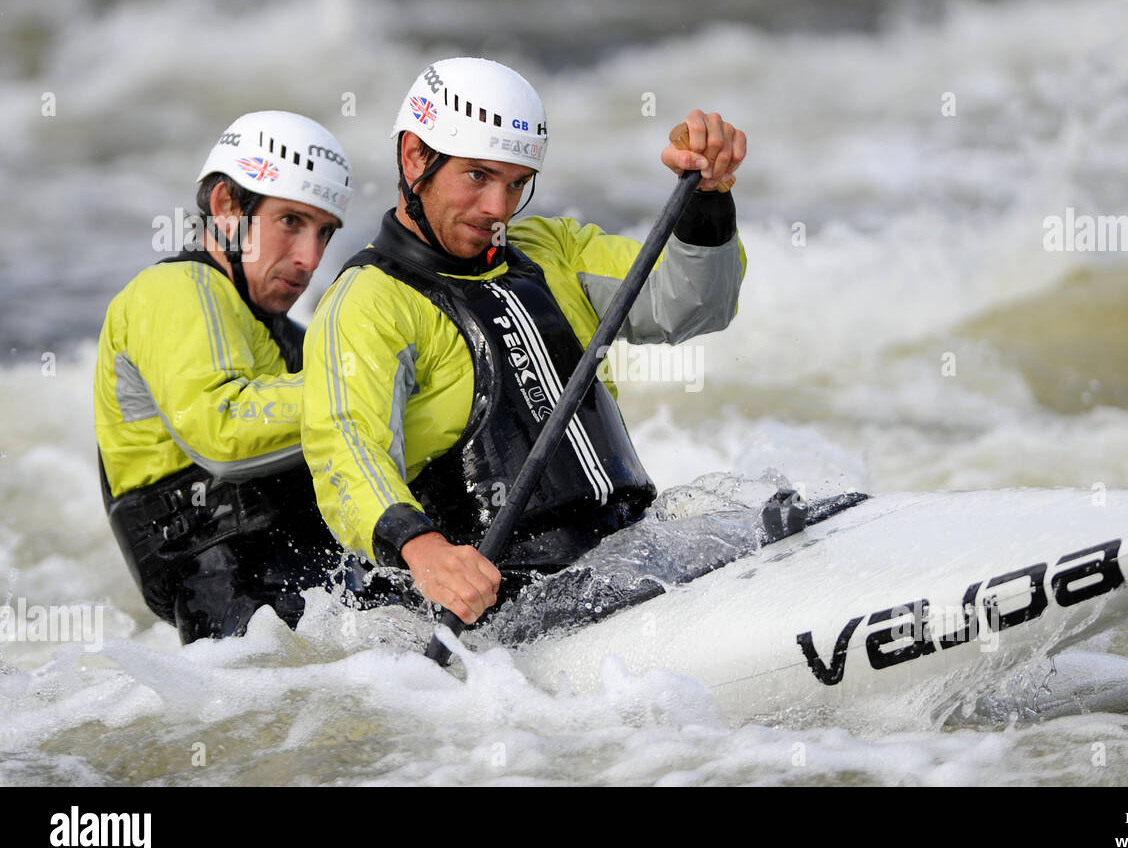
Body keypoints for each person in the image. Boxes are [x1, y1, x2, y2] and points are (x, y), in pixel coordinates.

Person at [301, 57, 747, 626]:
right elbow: (345, 450)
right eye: (478, 177)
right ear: (415, 156)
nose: (498, 209)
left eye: (516, 184)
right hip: (508, 607)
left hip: (630, 554)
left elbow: (693, 306)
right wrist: (422, 548)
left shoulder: (551, 249)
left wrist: (706, 199)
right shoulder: (367, 302)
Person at [94, 110, 393, 643]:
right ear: (227, 207)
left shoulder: (290, 337)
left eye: (324, 232)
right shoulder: (171, 291)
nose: (309, 259)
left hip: (300, 571)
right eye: (290, 222)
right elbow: (225, 432)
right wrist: (375, 384)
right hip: (224, 580)